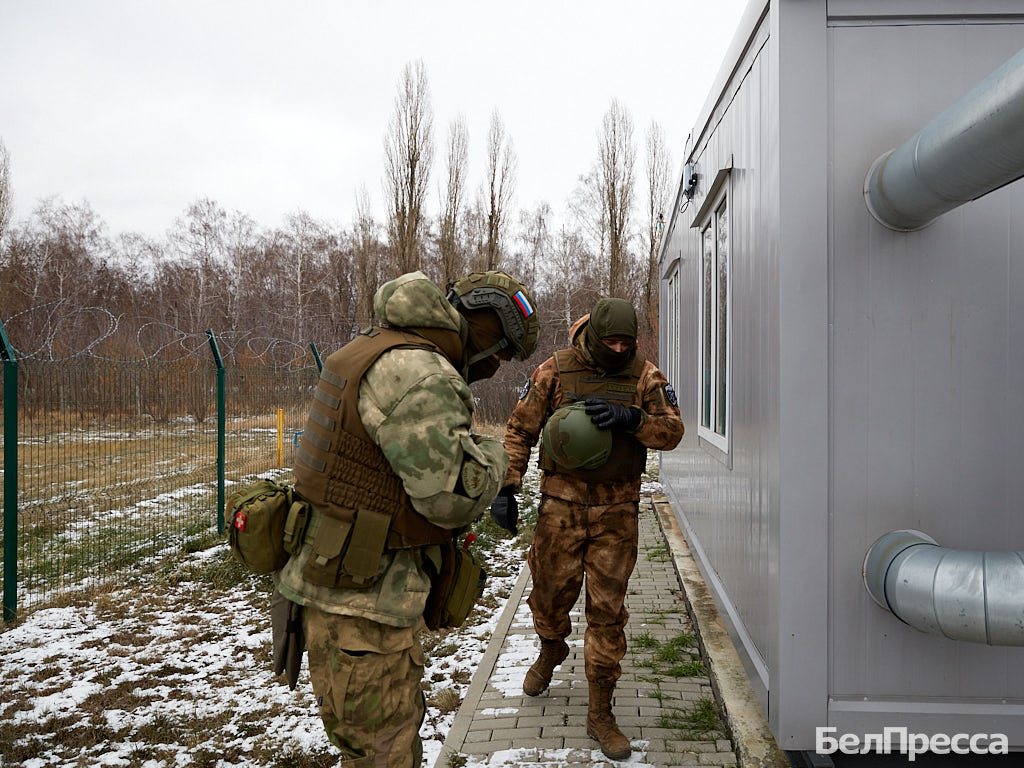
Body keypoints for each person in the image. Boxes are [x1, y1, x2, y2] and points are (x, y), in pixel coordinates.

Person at [276, 269, 539, 768]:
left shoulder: (377, 345)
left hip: (344, 589)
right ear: (481, 325)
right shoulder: (418, 371)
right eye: (501, 350)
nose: (499, 364)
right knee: (384, 756)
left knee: (378, 748)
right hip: (362, 609)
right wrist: (495, 456)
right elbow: (452, 498)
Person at [492, 296, 683, 760]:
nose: (619, 350)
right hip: (561, 505)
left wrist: (634, 418)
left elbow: (672, 431)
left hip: (618, 510)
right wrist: (506, 485)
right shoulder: (554, 371)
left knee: (606, 611)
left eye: (627, 342)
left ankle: (601, 712)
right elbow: (520, 430)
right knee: (550, 593)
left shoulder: (644, 375)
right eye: (611, 342)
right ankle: (551, 647)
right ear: (594, 336)